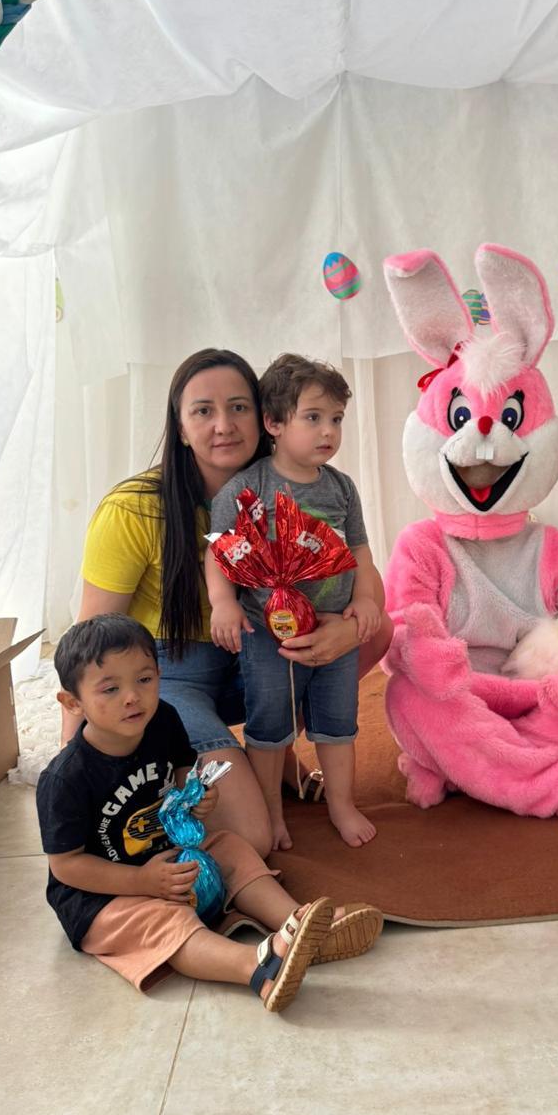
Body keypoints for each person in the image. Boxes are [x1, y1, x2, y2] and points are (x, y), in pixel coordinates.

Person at [69, 348, 393, 858]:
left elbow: (359, 565)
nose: (224, 425)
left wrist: (347, 630)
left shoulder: (302, 485)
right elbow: (87, 644)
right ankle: (230, 758)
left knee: (378, 630)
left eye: (238, 407)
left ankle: (276, 750)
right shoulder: (134, 510)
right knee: (252, 835)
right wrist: (75, 768)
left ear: (264, 418)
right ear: (180, 428)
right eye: (203, 411)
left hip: (255, 653)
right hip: (176, 674)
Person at [38, 615, 382, 1010]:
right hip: (104, 894)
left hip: (169, 860)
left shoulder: (163, 719)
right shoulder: (65, 779)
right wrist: (141, 882)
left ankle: (300, 924)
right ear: (73, 703)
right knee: (164, 921)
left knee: (231, 846)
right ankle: (258, 966)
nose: (132, 697)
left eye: (145, 679)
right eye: (111, 689)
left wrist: (197, 797)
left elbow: (184, 769)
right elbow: (66, 866)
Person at [207, 355, 380, 851]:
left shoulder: (341, 488)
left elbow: (360, 550)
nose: (329, 431)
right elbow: (218, 551)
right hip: (269, 635)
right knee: (269, 725)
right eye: (314, 417)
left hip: (335, 627)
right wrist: (223, 603)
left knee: (338, 722)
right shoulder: (248, 489)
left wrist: (365, 597)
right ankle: (271, 812)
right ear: (274, 423)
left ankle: (341, 804)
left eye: (337, 419)